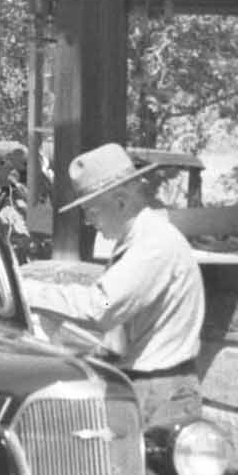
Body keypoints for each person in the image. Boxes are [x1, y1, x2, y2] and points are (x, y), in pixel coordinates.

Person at [26, 141, 205, 427]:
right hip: (149, 384)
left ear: (121, 202)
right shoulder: (137, 241)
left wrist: (30, 292)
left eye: (92, 211)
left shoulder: (153, 247)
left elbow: (103, 304)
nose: (87, 221)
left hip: (161, 391)